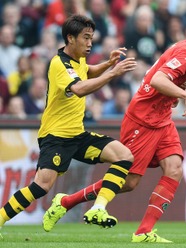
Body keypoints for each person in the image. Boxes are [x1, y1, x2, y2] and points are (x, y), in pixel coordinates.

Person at [42, 12, 186, 243]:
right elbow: (158, 80)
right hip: (143, 118)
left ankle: (143, 232)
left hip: (162, 117)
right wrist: (185, 96)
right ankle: (66, 202)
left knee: (175, 168)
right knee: (128, 182)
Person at [0, 14, 137, 237]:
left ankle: (98, 209)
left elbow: (87, 72)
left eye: (92, 38)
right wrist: (113, 73)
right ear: (70, 38)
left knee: (124, 156)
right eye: (86, 38)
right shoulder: (58, 63)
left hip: (77, 135)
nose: (90, 43)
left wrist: (108, 64)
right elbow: (80, 88)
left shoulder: (79, 59)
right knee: (41, 186)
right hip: (55, 136)